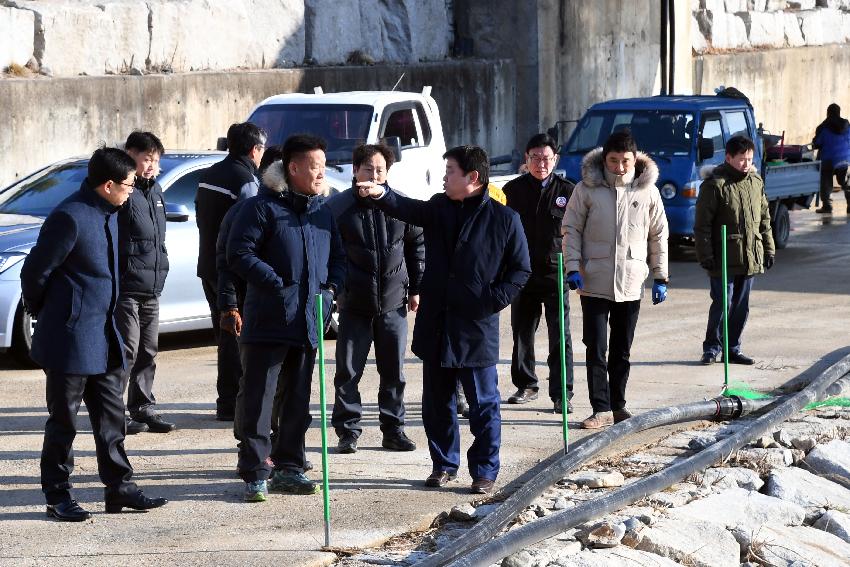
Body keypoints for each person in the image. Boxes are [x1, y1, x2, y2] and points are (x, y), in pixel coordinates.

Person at [358, 145, 530, 495]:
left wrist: (493, 300)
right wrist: (381, 194)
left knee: (483, 406)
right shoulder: (438, 207)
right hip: (437, 323)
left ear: (473, 178)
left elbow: (520, 270)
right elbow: (408, 208)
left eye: (450, 170)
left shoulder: (504, 219)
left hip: (475, 327)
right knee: (438, 405)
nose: (444, 176)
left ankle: (484, 471)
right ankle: (443, 465)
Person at [21, 147, 167, 521]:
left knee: (112, 417)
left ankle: (120, 489)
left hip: (106, 336)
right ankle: (58, 496)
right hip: (70, 338)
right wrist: (50, 314)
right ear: (107, 185)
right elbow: (34, 272)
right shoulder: (69, 217)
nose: (132, 190)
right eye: (129, 185)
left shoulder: (112, 212)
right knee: (64, 421)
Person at [227, 135, 345, 502]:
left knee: (298, 400)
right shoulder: (260, 208)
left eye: (323, 166)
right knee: (259, 403)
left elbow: (338, 260)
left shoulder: (322, 211)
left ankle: (290, 467)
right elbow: (238, 254)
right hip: (268, 321)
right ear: (293, 169)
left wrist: (330, 291)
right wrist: (276, 283)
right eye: (314, 166)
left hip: (308, 322)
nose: (321, 173)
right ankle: (256, 471)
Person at [562, 131, 669, 430]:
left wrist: (661, 275)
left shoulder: (648, 192)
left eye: (625, 161)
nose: (619, 167)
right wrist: (573, 267)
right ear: (604, 159)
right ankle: (601, 408)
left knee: (622, 349)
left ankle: (618, 405)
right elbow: (571, 229)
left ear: (635, 160)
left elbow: (658, 235)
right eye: (613, 161)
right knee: (595, 347)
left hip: (631, 282)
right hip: (593, 280)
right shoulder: (586, 189)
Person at [326, 144, 424, 454]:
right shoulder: (337, 208)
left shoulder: (400, 206)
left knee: (394, 372)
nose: (374, 175)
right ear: (355, 171)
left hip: (394, 302)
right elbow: (329, 254)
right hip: (354, 304)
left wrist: (417, 287)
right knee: (348, 372)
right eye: (368, 169)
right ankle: (347, 432)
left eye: (380, 169)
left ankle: (394, 430)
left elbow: (417, 244)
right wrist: (335, 292)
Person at [196, 122, 266, 421]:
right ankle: (234, 403)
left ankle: (226, 402)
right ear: (254, 149)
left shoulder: (209, 175)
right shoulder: (246, 181)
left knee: (225, 337)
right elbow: (255, 228)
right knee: (240, 339)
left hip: (209, 267)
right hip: (234, 272)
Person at [503, 133, 575, 413]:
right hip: (521, 275)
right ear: (526, 159)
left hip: (556, 274)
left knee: (561, 336)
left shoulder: (568, 191)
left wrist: (574, 268)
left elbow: (577, 233)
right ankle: (526, 385)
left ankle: (562, 393)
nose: (540, 163)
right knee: (522, 332)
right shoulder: (513, 190)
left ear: (555, 159)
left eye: (546, 158)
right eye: (535, 158)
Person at [109, 131, 175, 436]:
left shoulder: (156, 191)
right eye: (146, 158)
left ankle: (143, 406)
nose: (150, 165)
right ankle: (114, 411)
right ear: (130, 155)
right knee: (128, 349)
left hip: (151, 287)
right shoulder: (122, 192)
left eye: (155, 159)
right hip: (126, 287)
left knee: (149, 349)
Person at [695, 135, 774, 366]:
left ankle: (733, 349)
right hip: (723, 257)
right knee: (723, 303)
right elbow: (702, 226)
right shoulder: (715, 185)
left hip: (749, 255)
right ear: (728, 157)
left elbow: (764, 219)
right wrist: (706, 255)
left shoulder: (755, 182)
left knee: (741, 306)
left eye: (749, 159)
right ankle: (712, 348)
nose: (746, 163)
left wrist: (769, 250)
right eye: (741, 159)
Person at [812, 103, 850, 214]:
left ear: (828, 113)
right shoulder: (847, 126)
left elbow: (817, 143)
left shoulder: (823, 127)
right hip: (845, 159)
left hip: (829, 160)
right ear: (839, 112)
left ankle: (827, 206)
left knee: (826, 180)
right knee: (846, 181)